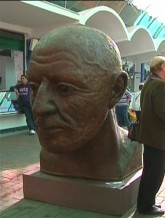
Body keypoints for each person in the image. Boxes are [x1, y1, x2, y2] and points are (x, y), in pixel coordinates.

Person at [26, 25, 142, 180]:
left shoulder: (131, 149)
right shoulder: (50, 157)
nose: (39, 107)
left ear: (115, 90)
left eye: (64, 88)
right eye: (34, 87)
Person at [137, 56, 165, 215]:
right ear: (162, 66)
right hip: (158, 137)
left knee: (148, 172)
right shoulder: (159, 85)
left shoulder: (149, 82)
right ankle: (147, 206)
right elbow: (163, 112)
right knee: (155, 174)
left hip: (149, 136)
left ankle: (143, 203)